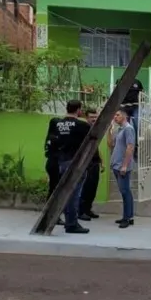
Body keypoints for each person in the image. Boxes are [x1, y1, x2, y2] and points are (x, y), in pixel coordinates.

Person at [53, 100, 91, 234]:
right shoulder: (81, 125)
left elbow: (54, 142)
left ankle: (65, 219)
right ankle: (71, 224)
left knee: (64, 193)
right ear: (79, 110)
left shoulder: (58, 124)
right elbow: (90, 142)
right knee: (74, 194)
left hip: (62, 162)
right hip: (76, 163)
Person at [108, 108, 136, 229]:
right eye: (114, 115)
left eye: (117, 115)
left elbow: (130, 147)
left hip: (122, 167)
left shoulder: (128, 129)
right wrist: (109, 131)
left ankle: (127, 218)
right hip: (116, 165)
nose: (115, 117)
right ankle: (128, 216)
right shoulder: (120, 129)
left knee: (125, 192)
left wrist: (124, 165)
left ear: (124, 116)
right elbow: (111, 145)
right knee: (125, 192)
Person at [79, 108, 104, 221]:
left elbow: (96, 147)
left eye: (95, 117)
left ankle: (88, 209)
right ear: (86, 117)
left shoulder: (95, 129)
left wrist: (101, 161)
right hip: (86, 163)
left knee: (93, 188)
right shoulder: (84, 129)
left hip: (95, 162)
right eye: (92, 117)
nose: (94, 119)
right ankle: (81, 211)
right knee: (85, 188)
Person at [43, 114, 64, 226]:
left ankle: (49, 213)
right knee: (55, 190)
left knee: (53, 189)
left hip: (50, 163)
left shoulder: (49, 137)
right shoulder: (56, 137)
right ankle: (52, 214)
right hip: (55, 164)